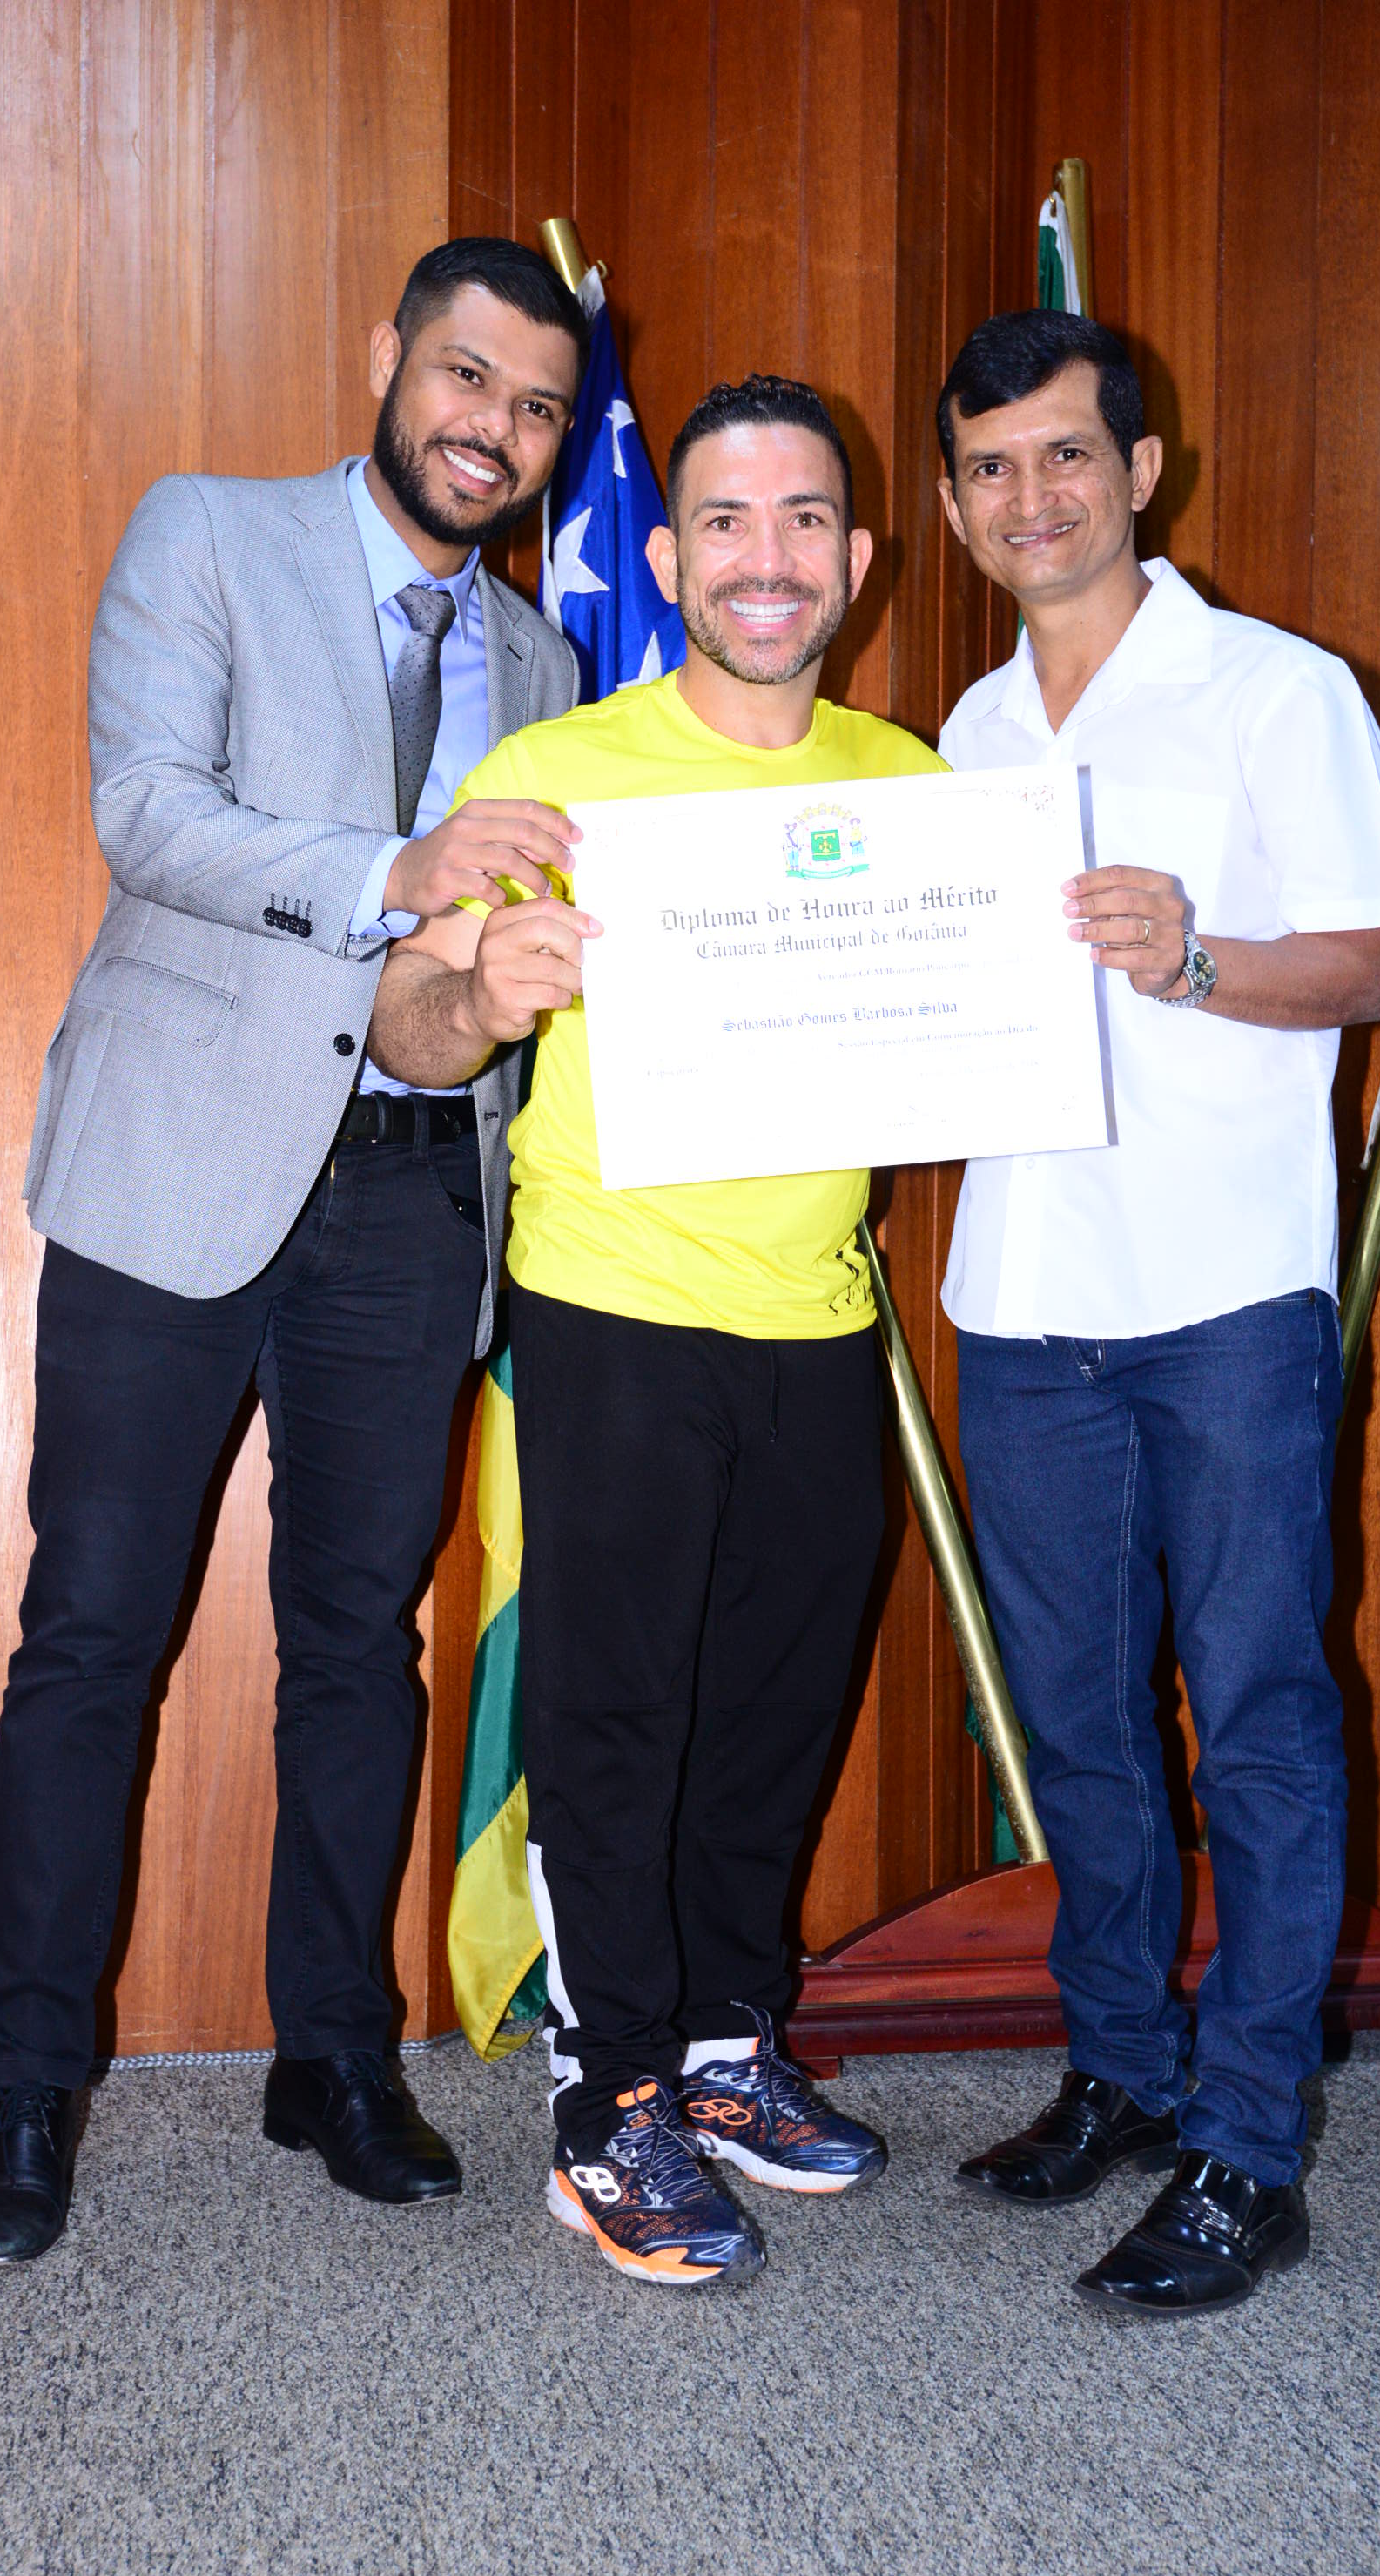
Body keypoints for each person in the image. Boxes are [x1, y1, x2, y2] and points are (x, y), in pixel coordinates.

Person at [0, 239, 587, 2269]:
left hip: (408, 1199)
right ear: (389, 356)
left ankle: (335, 2056)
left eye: (536, 407)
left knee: (357, 1645)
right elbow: (149, 812)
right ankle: (24, 2083)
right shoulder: (207, 534)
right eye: (465, 376)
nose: (492, 427)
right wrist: (394, 869)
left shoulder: (550, 670)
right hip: (175, 1171)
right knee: (91, 1629)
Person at [370, 374, 945, 2288]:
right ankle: (606, 2099)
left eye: (802, 519)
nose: (763, 557)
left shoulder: (916, 787)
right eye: (723, 520)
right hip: (610, 1302)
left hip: (821, 1309)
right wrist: (485, 1000)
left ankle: (719, 2044)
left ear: (856, 559)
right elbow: (407, 1025)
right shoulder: (563, 774)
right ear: (671, 555)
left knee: (779, 1700)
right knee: (615, 1709)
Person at [931, 310, 1380, 2316]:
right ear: (952, 506)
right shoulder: (965, 737)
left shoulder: (1275, 692)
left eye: (1065, 455)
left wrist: (1198, 959)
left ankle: (1244, 2148)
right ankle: (1123, 2070)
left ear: (1141, 473)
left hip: (1221, 1289)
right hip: (1017, 1292)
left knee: (1256, 1718)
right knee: (1069, 1722)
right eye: (989, 467)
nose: (1029, 496)